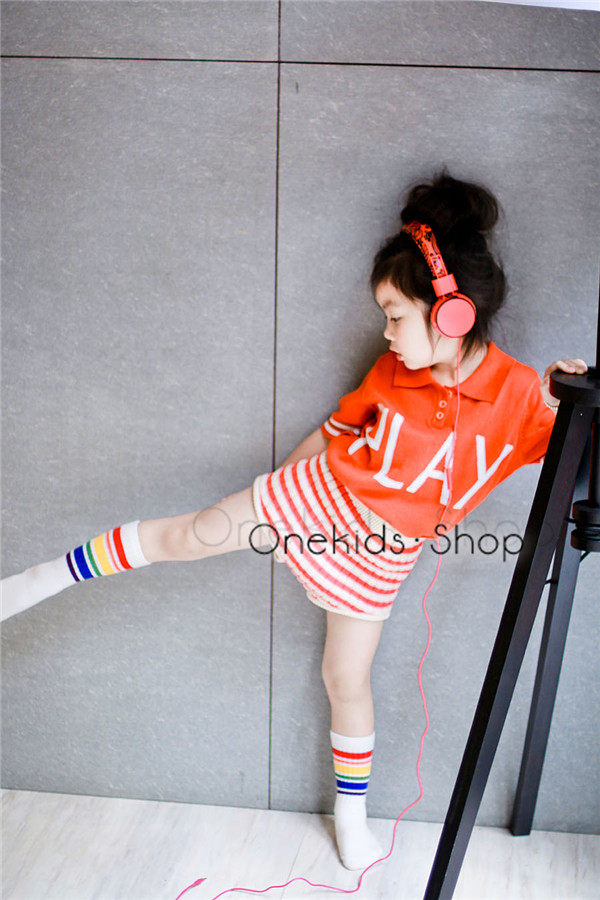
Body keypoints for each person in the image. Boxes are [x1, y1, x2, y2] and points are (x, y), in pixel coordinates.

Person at [1, 171, 588, 873]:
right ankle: (35, 581)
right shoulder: (391, 371)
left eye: (396, 315)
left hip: (383, 556)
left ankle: (351, 815)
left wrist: (569, 394)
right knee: (191, 534)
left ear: (452, 313)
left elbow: (575, 452)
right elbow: (333, 434)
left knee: (345, 678)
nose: (386, 332)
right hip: (318, 496)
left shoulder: (520, 395)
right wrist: (278, 499)